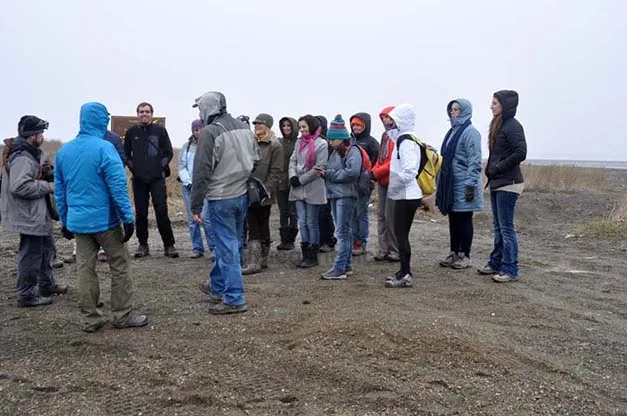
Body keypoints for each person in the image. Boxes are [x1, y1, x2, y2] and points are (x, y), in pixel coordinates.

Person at [55, 102, 148, 332]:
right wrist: (127, 218)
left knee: (85, 269)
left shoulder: (64, 151)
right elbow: (118, 186)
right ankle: (122, 315)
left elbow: (60, 190)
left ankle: (91, 319)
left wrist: (65, 220)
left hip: (78, 222)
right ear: (101, 120)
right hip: (105, 222)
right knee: (120, 264)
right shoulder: (105, 148)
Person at [191, 91, 258, 315]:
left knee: (227, 246)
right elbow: (255, 159)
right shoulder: (243, 128)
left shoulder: (210, 132)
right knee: (232, 243)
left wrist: (195, 205)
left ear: (208, 108)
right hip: (242, 194)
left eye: (200, 109)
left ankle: (234, 298)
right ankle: (218, 286)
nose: (199, 114)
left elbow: (201, 171)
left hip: (221, 197)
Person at [1, 116, 68, 307]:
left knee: (47, 248)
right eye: (40, 133)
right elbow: (19, 186)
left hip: (37, 213)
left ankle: (47, 285)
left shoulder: (28, 153)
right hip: (29, 215)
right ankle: (26, 295)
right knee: (31, 254)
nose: (42, 136)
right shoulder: (22, 157)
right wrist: (48, 186)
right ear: (32, 136)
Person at [479, 90, 527, 282]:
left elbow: (521, 152)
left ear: (505, 105)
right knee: (498, 227)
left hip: (509, 183)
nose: (491, 106)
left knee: (506, 228)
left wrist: (498, 167)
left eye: (495, 103)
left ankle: (510, 269)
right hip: (497, 183)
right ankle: (496, 262)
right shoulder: (499, 125)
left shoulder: (513, 126)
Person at [124, 102, 178, 258]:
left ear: (152, 114)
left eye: (147, 111)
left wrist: (158, 168)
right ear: (137, 114)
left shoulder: (160, 131)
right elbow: (126, 154)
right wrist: (135, 168)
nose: (144, 114)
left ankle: (169, 245)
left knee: (161, 211)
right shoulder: (131, 132)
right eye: (141, 112)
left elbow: (168, 152)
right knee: (140, 213)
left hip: (156, 179)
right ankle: (143, 245)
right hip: (139, 179)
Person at [65, 129, 127, 265]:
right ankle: (77, 252)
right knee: (83, 215)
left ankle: (104, 251)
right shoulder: (81, 137)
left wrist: (110, 173)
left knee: (107, 215)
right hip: (84, 184)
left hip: (105, 184)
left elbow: (121, 159)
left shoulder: (113, 138)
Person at [436, 99, 483, 270]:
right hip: (451, 185)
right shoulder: (452, 132)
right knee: (453, 220)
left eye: (456, 109)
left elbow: (474, 161)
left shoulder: (471, 133)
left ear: (465, 111)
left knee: (464, 220)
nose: (452, 112)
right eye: (451, 109)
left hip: (464, 184)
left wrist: (470, 184)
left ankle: (465, 255)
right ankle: (454, 252)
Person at [384, 104, 422, 288]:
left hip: (406, 195)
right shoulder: (404, 139)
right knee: (401, 235)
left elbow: (410, 169)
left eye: (391, 119)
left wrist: (395, 185)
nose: (387, 123)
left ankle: (405, 274)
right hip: (405, 194)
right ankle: (403, 271)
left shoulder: (405, 141)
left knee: (401, 235)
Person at [319, 115, 361, 280]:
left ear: (341, 138)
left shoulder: (353, 151)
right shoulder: (337, 152)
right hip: (337, 195)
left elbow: (352, 172)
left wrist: (328, 173)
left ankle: (339, 268)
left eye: (333, 139)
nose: (330, 142)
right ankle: (346, 265)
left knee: (342, 232)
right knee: (345, 231)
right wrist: (324, 169)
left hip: (346, 195)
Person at [242, 114, 283, 275]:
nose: (257, 126)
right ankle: (254, 260)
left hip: (264, 192)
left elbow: (276, 171)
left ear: (267, 125)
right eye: (256, 123)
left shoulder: (275, 145)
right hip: (248, 189)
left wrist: (266, 190)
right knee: (251, 224)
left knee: (262, 223)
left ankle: (261, 259)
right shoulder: (250, 142)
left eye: (260, 124)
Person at [289, 115, 328, 268]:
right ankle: (304, 252)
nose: (302, 130)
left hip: (313, 187)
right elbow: (293, 160)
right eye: (300, 127)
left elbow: (319, 167)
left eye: (304, 127)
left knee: (311, 222)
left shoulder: (322, 144)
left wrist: (301, 179)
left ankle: (313, 253)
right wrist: (292, 176)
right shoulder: (299, 142)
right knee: (302, 221)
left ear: (311, 126)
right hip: (298, 188)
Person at [179, 119, 215, 259]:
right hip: (189, 187)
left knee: (206, 218)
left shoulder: (210, 146)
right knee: (192, 219)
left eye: (200, 129)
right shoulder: (186, 147)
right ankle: (197, 248)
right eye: (195, 129)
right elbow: (182, 166)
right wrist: (188, 181)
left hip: (205, 187)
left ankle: (213, 248)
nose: (197, 131)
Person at [371, 106, 400, 262]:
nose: (385, 120)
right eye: (383, 117)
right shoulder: (385, 136)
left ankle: (394, 249)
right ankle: (383, 248)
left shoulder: (398, 136)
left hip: (393, 181)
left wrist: (376, 172)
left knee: (391, 217)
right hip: (382, 181)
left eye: (388, 117)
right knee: (381, 215)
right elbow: (381, 159)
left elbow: (392, 162)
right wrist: (374, 171)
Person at [349, 113, 379, 256]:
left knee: (361, 213)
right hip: (350, 183)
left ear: (365, 126)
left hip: (364, 184)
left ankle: (362, 241)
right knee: (352, 214)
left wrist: (370, 179)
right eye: (354, 125)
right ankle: (354, 240)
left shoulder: (372, 143)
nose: (355, 127)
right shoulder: (349, 141)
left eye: (359, 125)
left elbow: (376, 162)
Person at [276, 117, 299, 251]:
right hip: (280, 181)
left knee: (293, 211)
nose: (286, 128)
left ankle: (291, 239)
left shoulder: (299, 143)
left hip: (293, 181)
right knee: (283, 211)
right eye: (283, 126)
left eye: (288, 126)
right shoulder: (279, 143)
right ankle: (284, 239)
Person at [316, 115, 337, 253]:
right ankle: (320, 240)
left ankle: (328, 240)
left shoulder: (326, 143)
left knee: (325, 213)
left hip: (325, 181)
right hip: (316, 181)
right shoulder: (314, 141)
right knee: (318, 213)